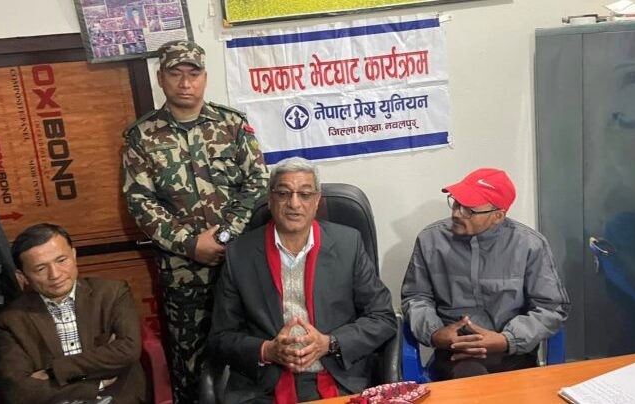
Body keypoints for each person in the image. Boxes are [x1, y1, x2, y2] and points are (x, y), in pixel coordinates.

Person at [121, 39, 268, 403]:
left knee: (252, 346)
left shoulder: (232, 125)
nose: (185, 83)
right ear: (161, 78)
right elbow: (140, 201)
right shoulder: (142, 136)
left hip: (240, 263)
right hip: (183, 272)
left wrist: (227, 234)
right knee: (191, 364)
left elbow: (257, 182)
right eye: (175, 74)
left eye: (193, 73)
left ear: (204, 77)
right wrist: (191, 244)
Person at [208, 157, 396, 403]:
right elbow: (220, 338)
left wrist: (330, 343)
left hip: (337, 378)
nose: (294, 204)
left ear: (317, 200)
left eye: (305, 194)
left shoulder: (349, 244)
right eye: (284, 193)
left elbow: (382, 317)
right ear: (271, 198)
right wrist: (267, 350)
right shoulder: (239, 254)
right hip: (264, 387)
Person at [401, 168, 570, 381]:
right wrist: (435, 333)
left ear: (498, 216)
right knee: (470, 376)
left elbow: (551, 308)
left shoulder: (529, 245)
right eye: (455, 203)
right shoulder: (431, 240)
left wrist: (507, 340)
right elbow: (416, 297)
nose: (456, 213)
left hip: (511, 352)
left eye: (468, 210)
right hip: (454, 351)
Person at [0, 223, 146, 403]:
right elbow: (18, 392)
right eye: (41, 269)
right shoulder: (8, 321)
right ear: (22, 276)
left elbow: (128, 351)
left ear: (74, 255)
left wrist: (55, 371)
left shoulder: (112, 293)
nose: (55, 275)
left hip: (116, 397)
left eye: (61, 260)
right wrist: (96, 384)